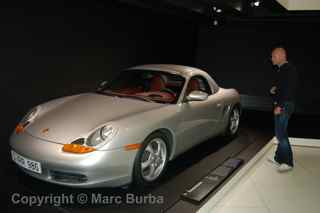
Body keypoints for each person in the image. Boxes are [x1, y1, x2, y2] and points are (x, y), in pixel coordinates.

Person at [268, 46, 299, 172]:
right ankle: (279, 158)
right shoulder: (283, 70)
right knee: (280, 132)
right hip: (282, 103)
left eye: (273, 56)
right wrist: (274, 90)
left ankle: (288, 162)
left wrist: (280, 106)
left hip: (284, 105)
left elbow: (289, 90)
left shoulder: (289, 69)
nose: (271, 59)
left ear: (281, 55)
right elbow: (283, 88)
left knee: (281, 133)